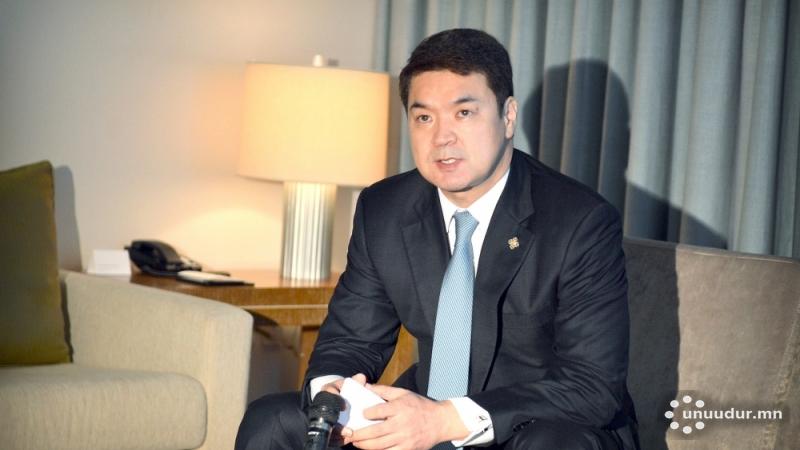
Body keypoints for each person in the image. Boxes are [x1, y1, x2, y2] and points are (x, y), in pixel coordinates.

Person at [235, 28, 638, 450]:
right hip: (422, 418)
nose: (442, 137)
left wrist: (445, 420)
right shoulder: (385, 208)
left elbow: (591, 386)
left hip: (533, 426)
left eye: (464, 113)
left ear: (508, 117)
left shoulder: (579, 222)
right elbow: (351, 340)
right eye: (424, 118)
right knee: (272, 420)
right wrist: (334, 395)